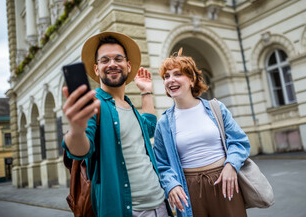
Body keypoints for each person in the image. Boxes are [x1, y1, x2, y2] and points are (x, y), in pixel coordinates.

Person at [62, 31, 172, 217]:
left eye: (118, 59)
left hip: (160, 204)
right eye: (105, 60)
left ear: (128, 66)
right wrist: (76, 130)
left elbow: (149, 127)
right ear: (96, 69)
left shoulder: (128, 104)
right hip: (128, 210)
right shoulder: (95, 103)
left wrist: (146, 92)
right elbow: (80, 150)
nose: (112, 64)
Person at [153, 48, 251, 217]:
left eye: (177, 74)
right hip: (188, 189)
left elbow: (239, 141)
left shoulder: (216, 109)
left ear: (192, 80)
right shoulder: (164, 123)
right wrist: (172, 185)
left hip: (225, 181)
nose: (171, 80)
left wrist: (231, 165)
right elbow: (161, 163)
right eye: (166, 76)